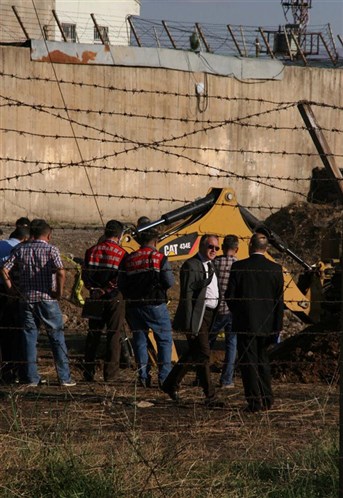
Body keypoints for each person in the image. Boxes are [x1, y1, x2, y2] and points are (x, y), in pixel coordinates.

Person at [1, 219, 75, 387]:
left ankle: (31, 377)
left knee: (29, 338)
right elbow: (61, 272)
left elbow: (5, 269)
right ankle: (64, 378)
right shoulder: (51, 250)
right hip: (47, 298)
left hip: (26, 299)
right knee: (56, 337)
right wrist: (58, 292)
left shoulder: (20, 249)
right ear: (48, 235)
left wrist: (12, 289)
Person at [161, 234, 224, 408]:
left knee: (197, 352)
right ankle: (210, 395)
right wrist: (189, 322)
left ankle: (170, 384)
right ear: (202, 246)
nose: (214, 250)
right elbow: (187, 296)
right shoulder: (191, 265)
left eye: (217, 248)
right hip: (198, 315)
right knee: (203, 352)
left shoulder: (212, 265)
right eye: (211, 246)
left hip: (211, 314)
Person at [225, 233, 284, 413]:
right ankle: (267, 399)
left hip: (245, 323)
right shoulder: (275, 269)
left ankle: (254, 402)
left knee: (248, 363)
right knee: (263, 362)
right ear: (266, 248)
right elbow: (278, 302)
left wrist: (240, 313)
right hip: (267, 325)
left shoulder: (239, 267)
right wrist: (277, 326)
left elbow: (230, 296)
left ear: (250, 246)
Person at [121, 228, 174, 388]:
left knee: (140, 341)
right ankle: (165, 378)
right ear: (156, 242)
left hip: (134, 305)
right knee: (164, 340)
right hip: (155, 304)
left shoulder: (129, 259)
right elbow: (169, 281)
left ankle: (143, 377)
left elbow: (121, 283)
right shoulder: (159, 258)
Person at [82, 220, 127, 382]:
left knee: (93, 334)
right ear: (120, 235)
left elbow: (85, 274)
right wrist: (107, 289)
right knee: (113, 335)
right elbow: (120, 278)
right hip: (114, 298)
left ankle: (88, 371)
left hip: (94, 297)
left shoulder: (91, 251)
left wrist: (94, 289)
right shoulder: (122, 253)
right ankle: (110, 375)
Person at [0, 226, 30, 383]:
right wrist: (12, 291)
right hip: (13, 292)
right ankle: (14, 371)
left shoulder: (2, 244)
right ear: (25, 238)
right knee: (14, 333)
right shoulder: (19, 248)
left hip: (5, 290)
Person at [209, 234, 239, 388]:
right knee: (231, 345)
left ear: (222, 247)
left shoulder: (215, 263)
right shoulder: (239, 266)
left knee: (207, 342)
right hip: (233, 310)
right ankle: (227, 380)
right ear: (237, 249)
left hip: (217, 309)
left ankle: (203, 376)